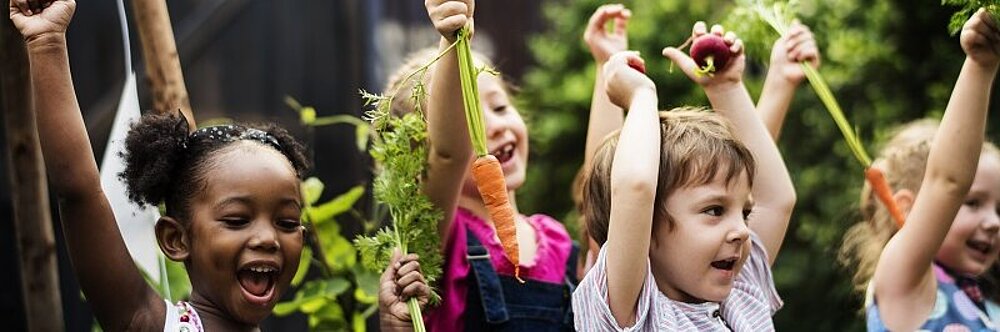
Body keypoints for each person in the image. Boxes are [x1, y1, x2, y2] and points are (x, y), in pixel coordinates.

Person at [11, 0, 317, 330]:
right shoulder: (153, 323)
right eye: (237, 219)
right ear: (176, 239)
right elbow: (78, 191)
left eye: (286, 223)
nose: (267, 238)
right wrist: (47, 41)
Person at [573, 22, 796, 330]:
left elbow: (775, 200)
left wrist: (726, 88)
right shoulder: (632, 313)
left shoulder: (739, 296)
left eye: (744, 213)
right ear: (646, 227)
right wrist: (641, 96)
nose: (742, 231)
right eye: (715, 210)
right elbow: (635, 187)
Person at [381, 1, 579, 330]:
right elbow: (449, 154)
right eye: (469, 121)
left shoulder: (555, 239)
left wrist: (605, 68)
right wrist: (451, 42)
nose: (495, 127)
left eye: (500, 107)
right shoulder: (440, 236)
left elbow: (604, 209)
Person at [837, 9, 1000, 330]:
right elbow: (948, 182)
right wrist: (981, 66)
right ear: (907, 210)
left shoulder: (979, 303)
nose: (994, 222)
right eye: (972, 203)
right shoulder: (905, 282)